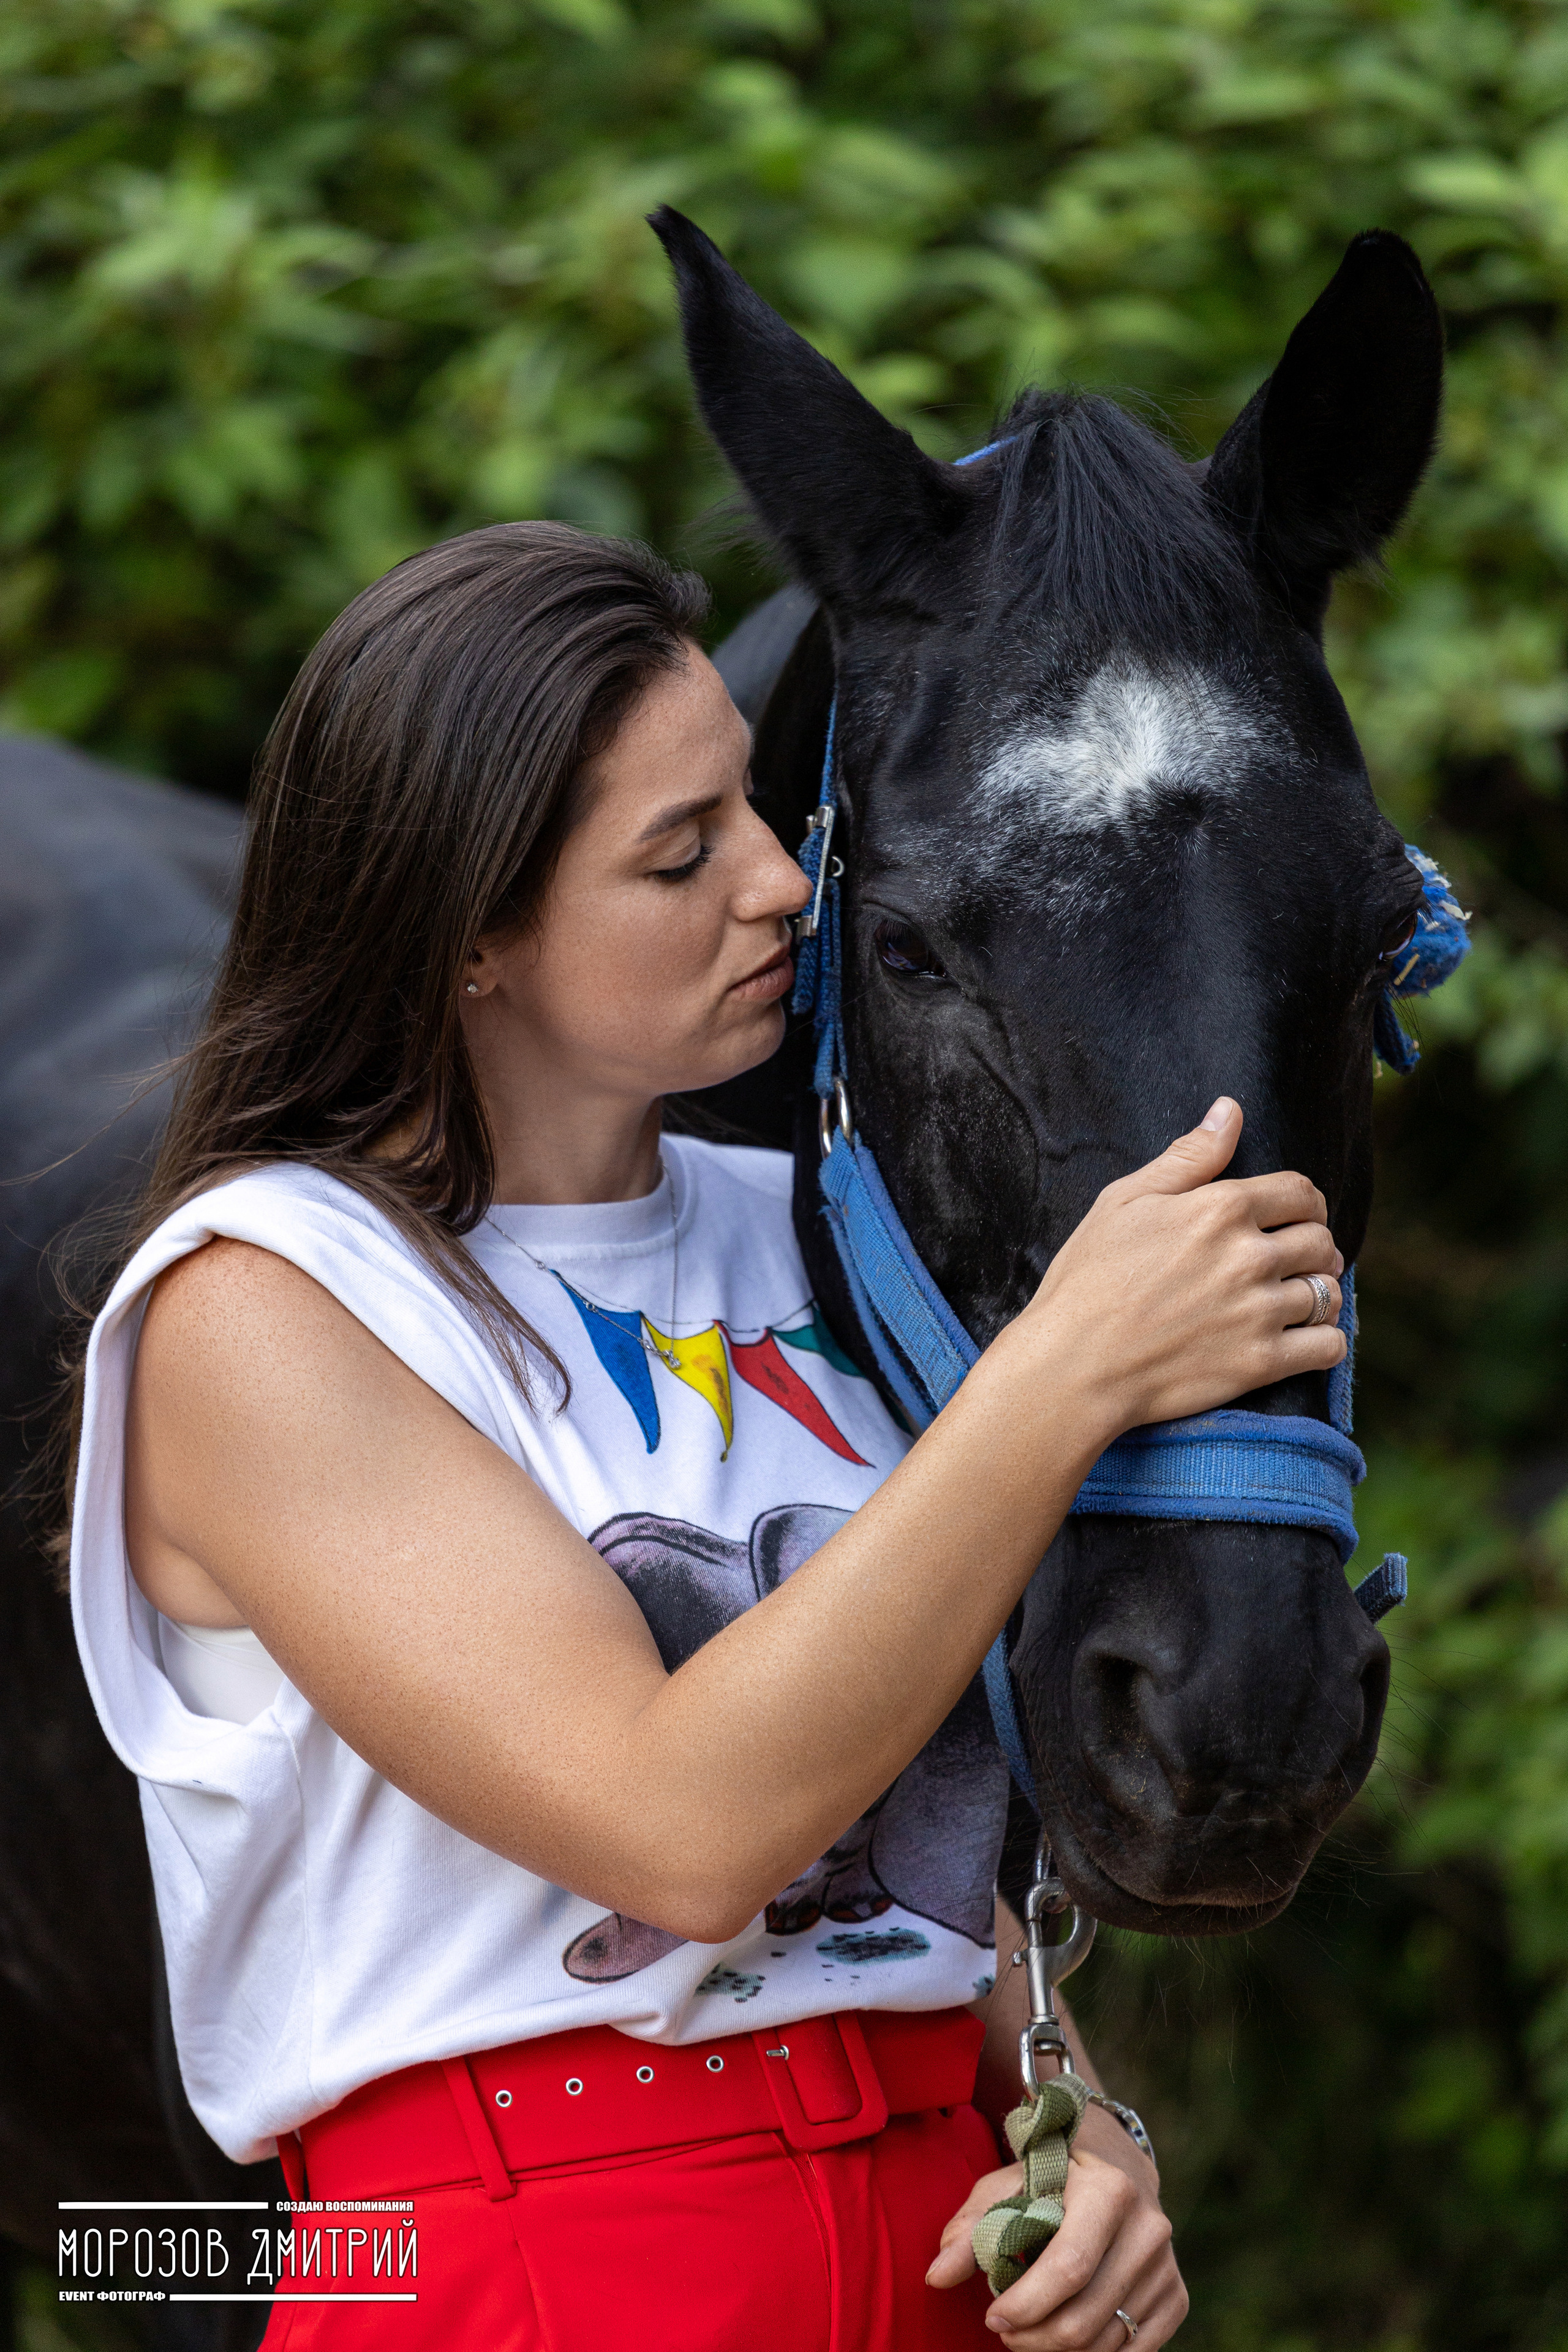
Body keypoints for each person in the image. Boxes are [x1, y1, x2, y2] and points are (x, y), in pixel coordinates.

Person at [69, 521, 1347, 2352]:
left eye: (754, 810)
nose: (781, 885)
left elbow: (893, 1804)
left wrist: (1076, 2118)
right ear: (467, 938)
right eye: (680, 856)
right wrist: (1063, 1375)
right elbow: (679, 1832)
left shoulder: (820, 1232)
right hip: (528, 2263)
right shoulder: (273, 1313)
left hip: (936, 2236)